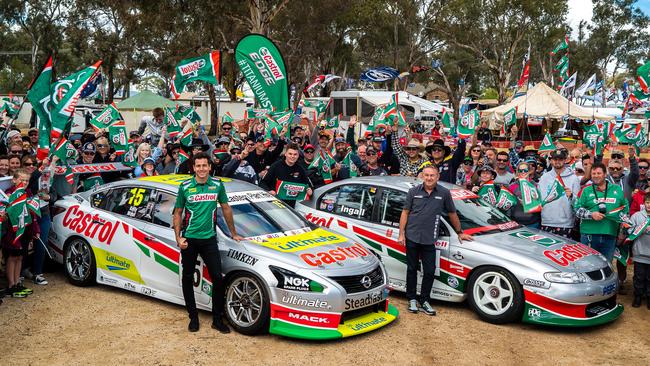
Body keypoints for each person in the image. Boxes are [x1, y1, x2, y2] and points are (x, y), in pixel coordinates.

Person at [172, 152, 242, 333]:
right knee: (187, 278)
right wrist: (178, 238)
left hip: (209, 238)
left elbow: (226, 208)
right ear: (193, 168)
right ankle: (193, 317)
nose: (202, 169)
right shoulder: (185, 186)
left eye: (205, 165)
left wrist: (233, 233)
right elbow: (178, 212)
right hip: (190, 238)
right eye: (198, 166)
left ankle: (217, 319)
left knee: (218, 278)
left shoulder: (217, 185)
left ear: (210, 167)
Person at [398, 165, 473, 315]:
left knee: (430, 271)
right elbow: (405, 213)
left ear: (437, 177)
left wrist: (459, 232)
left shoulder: (444, 193)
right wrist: (401, 234)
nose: (429, 178)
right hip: (412, 236)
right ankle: (412, 299)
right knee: (412, 269)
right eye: (426, 175)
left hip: (430, 239)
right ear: (422, 176)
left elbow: (452, 213)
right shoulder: (413, 192)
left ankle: (424, 300)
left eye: (432, 175)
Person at [575, 162, 628, 262]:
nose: (596, 176)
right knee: (588, 265)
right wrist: (591, 215)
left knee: (606, 265)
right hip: (588, 235)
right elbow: (577, 209)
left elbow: (625, 211)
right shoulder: (585, 190)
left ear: (605, 174)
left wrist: (622, 232)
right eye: (593, 174)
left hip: (610, 234)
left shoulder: (617, 189)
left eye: (599, 173)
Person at [1, 168, 40, 298]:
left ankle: (17, 282)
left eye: (27, 181)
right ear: (14, 180)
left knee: (20, 257)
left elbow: (32, 214)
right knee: (12, 257)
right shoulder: (8, 193)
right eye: (21, 180)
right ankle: (11, 285)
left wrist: (36, 230)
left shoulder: (28, 193)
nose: (24, 183)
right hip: (12, 231)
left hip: (26, 230)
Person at [538, 149, 581, 239]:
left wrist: (571, 196)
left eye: (560, 159)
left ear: (565, 160)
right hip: (546, 221)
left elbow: (578, 203)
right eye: (555, 159)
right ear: (551, 160)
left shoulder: (573, 178)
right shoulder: (544, 177)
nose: (557, 161)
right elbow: (539, 199)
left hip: (565, 224)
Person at [261, 143, 312, 208]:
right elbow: (263, 182)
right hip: (274, 204)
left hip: (291, 206)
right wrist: (269, 191)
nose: (292, 156)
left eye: (295, 154)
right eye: (290, 154)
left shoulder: (300, 169)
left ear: (298, 155)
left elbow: (307, 184)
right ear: (285, 154)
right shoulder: (276, 166)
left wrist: (309, 189)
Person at [628, 192, 650, 308]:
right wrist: (641, 229)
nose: (649, 205)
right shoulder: (636, 216)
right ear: (644, 203)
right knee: (639, 276)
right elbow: (629, 231)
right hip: (640, 252)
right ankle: (638, 296)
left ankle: (649, 296)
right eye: (647, 202)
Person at [508, 161, 541, 228]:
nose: (523, 172)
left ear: (529, 171)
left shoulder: (535, 185)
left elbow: (540, 204)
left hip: (532, 222)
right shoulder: (512, 186)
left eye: (525, 170)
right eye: (521, 170)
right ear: (517, 172)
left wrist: (528, 205)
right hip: (516, 222)